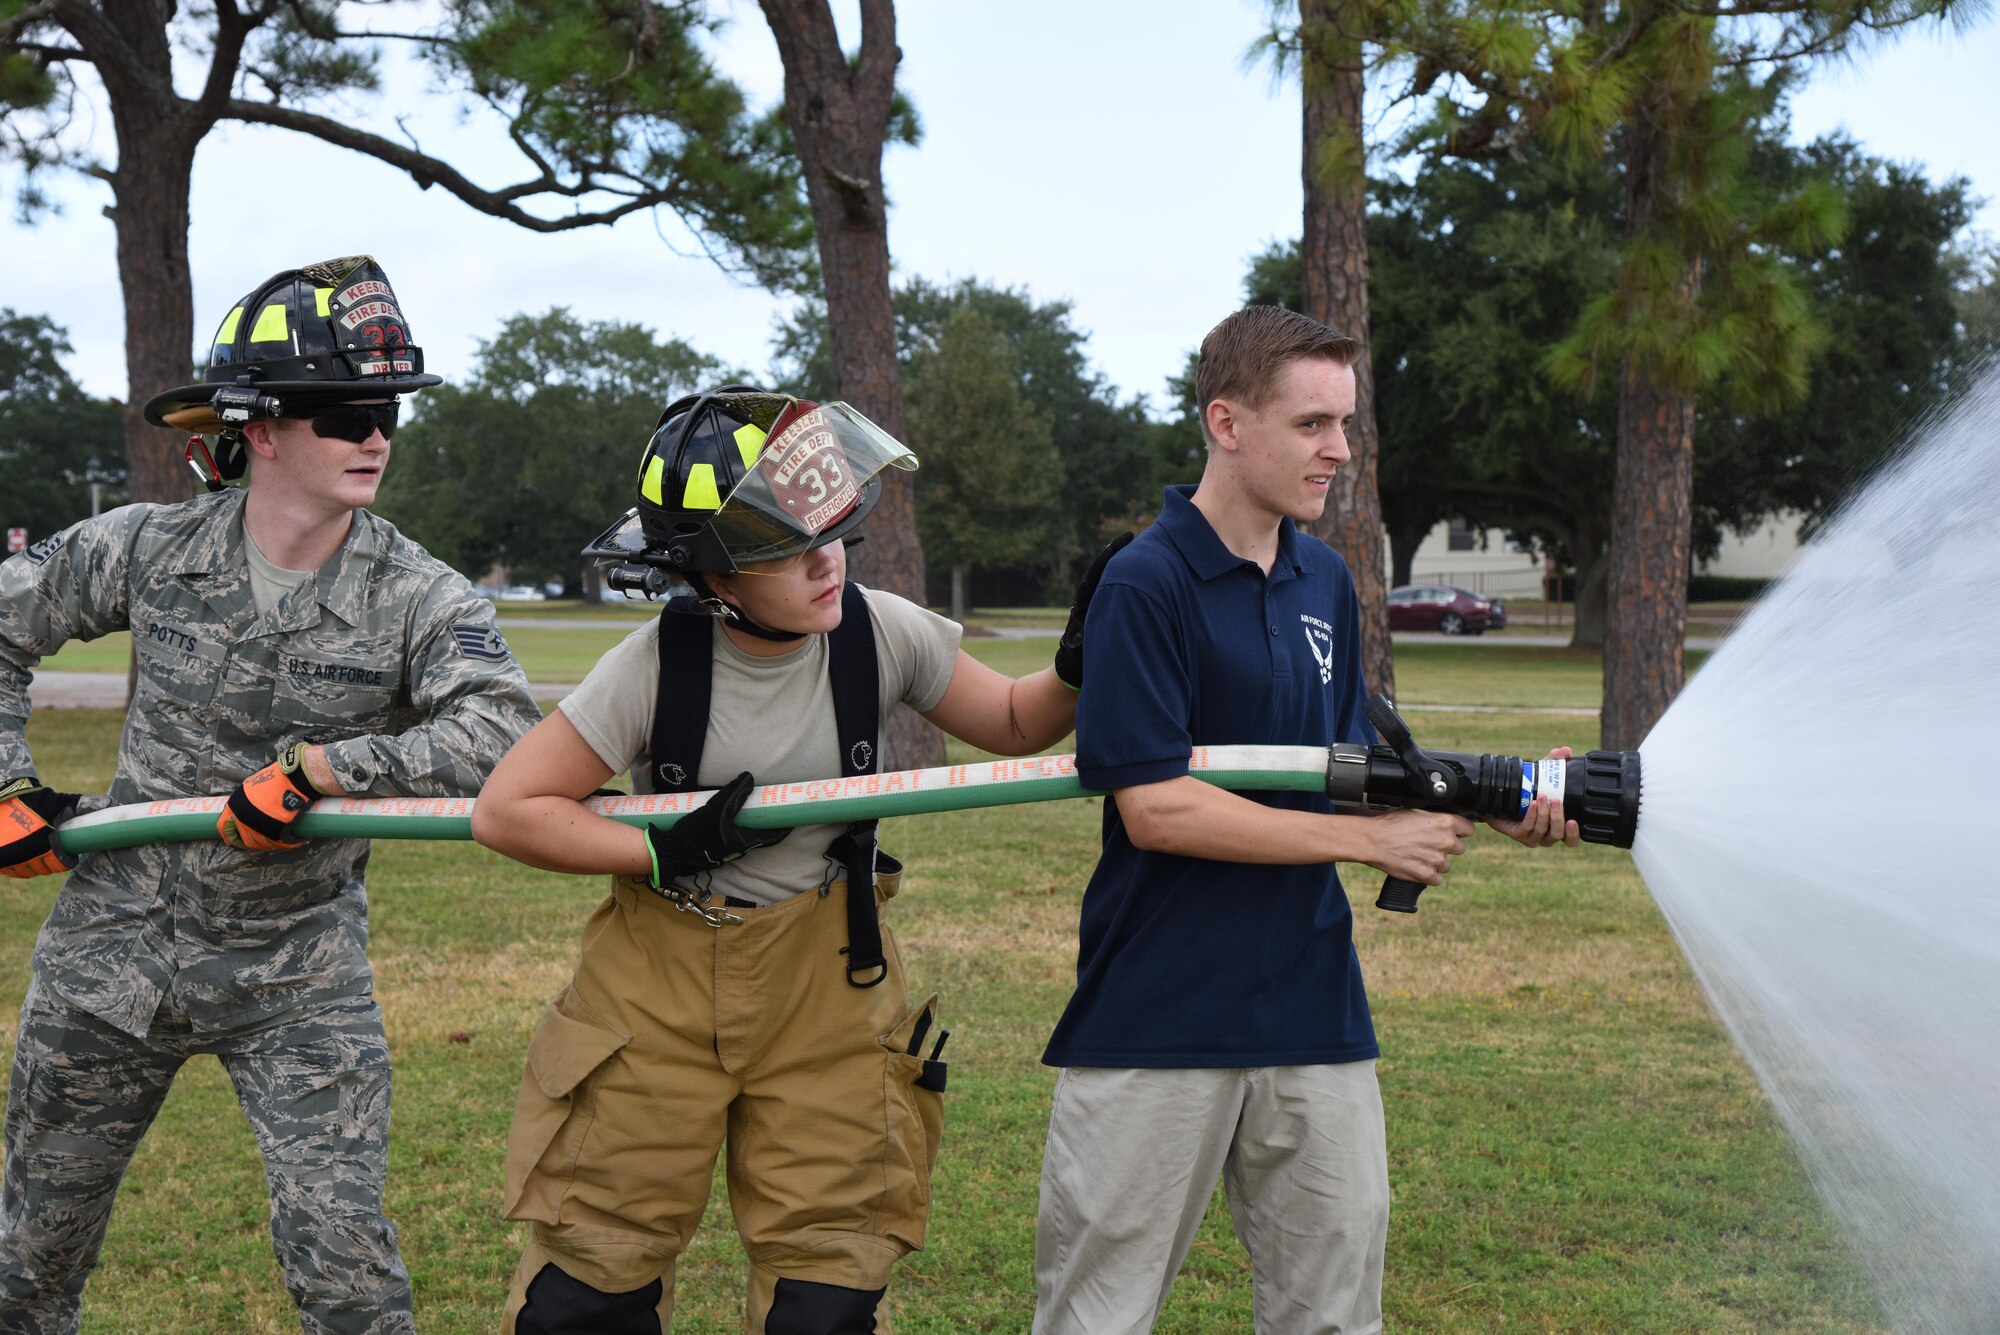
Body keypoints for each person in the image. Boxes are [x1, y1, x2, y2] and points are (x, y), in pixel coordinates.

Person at [471, 385, 1122, 1334]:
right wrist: (664, 845)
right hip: (652, 992)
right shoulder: (654, 664)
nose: (828, 562)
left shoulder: (879, 630)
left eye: (831, 532)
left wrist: (1073, 661)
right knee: (587, 1292)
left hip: (832, 987)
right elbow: (509, 810)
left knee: (827, 1299)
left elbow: (1016, 721)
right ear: (711, 577)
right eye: (787, 546)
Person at [0, 256, 541, 1335]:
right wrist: (3, 786)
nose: (374, 437)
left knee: (347, 1278)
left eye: (384, 411)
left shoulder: (417, 593)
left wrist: (330, 767)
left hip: (299, 975)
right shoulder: (148, 547)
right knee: (27, 1263)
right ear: (260, 429)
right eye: (344, 413)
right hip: (110, 954)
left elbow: (502, 733)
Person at [1032, 306, 1579, 1335]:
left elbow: (1337, 770)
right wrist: (1365, 843)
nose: (1338, 451)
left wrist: (1502, 802)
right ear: (1227, 423)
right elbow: (1153, 807)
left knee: (1331, 1310)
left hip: (1308, 1004)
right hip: (1157, 1008)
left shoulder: (1322, 576)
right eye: (1312, 424)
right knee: (1096, 1314)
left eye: (1344, 423)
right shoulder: (1141, 582)